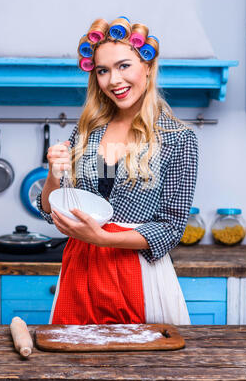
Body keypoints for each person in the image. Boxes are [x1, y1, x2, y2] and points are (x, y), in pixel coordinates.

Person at [37, 16, 198, 326]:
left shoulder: (177, 138)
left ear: (148, 66)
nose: (113, 80)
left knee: (143, 369)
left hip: (136, 275)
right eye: (103, 70)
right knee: (71, 366)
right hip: (80, 271)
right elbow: (52, 210)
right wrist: (53, 176)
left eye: (124, 66)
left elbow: (171, 228)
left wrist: (103, 239)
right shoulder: (88, 131)